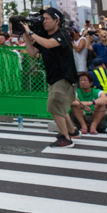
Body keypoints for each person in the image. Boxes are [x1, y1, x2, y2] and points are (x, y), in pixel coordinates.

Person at [20, 8, 80, 147]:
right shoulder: (44, 36)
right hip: (53, 77)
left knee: (54, 105)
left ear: (57, 20)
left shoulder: (63, 34)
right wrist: (25, 33)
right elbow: (32, 52)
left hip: (64, 76)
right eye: (43, 18)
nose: (43, 21)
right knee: (59, 107)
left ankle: (66, 138)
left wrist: (31, 32)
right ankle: (72, 131)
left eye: (47, 19)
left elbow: (48, 44)